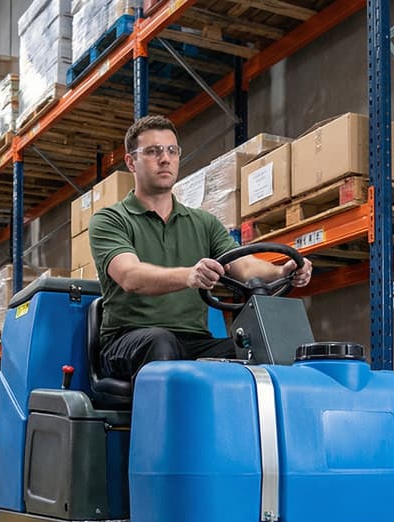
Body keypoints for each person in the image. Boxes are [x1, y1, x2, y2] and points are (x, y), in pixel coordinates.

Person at [88, 114, 312, 382]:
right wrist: (189, 276)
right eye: (153, 151)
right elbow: (129, 276)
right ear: (130, 162)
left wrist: (282, 272)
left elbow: (244, 266)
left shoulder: (203, 222)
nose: (165, 159)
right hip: (128, 340)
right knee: (161, 343)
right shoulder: (110, 219)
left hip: (194, 341)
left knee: (255, 352)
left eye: (172, 151)